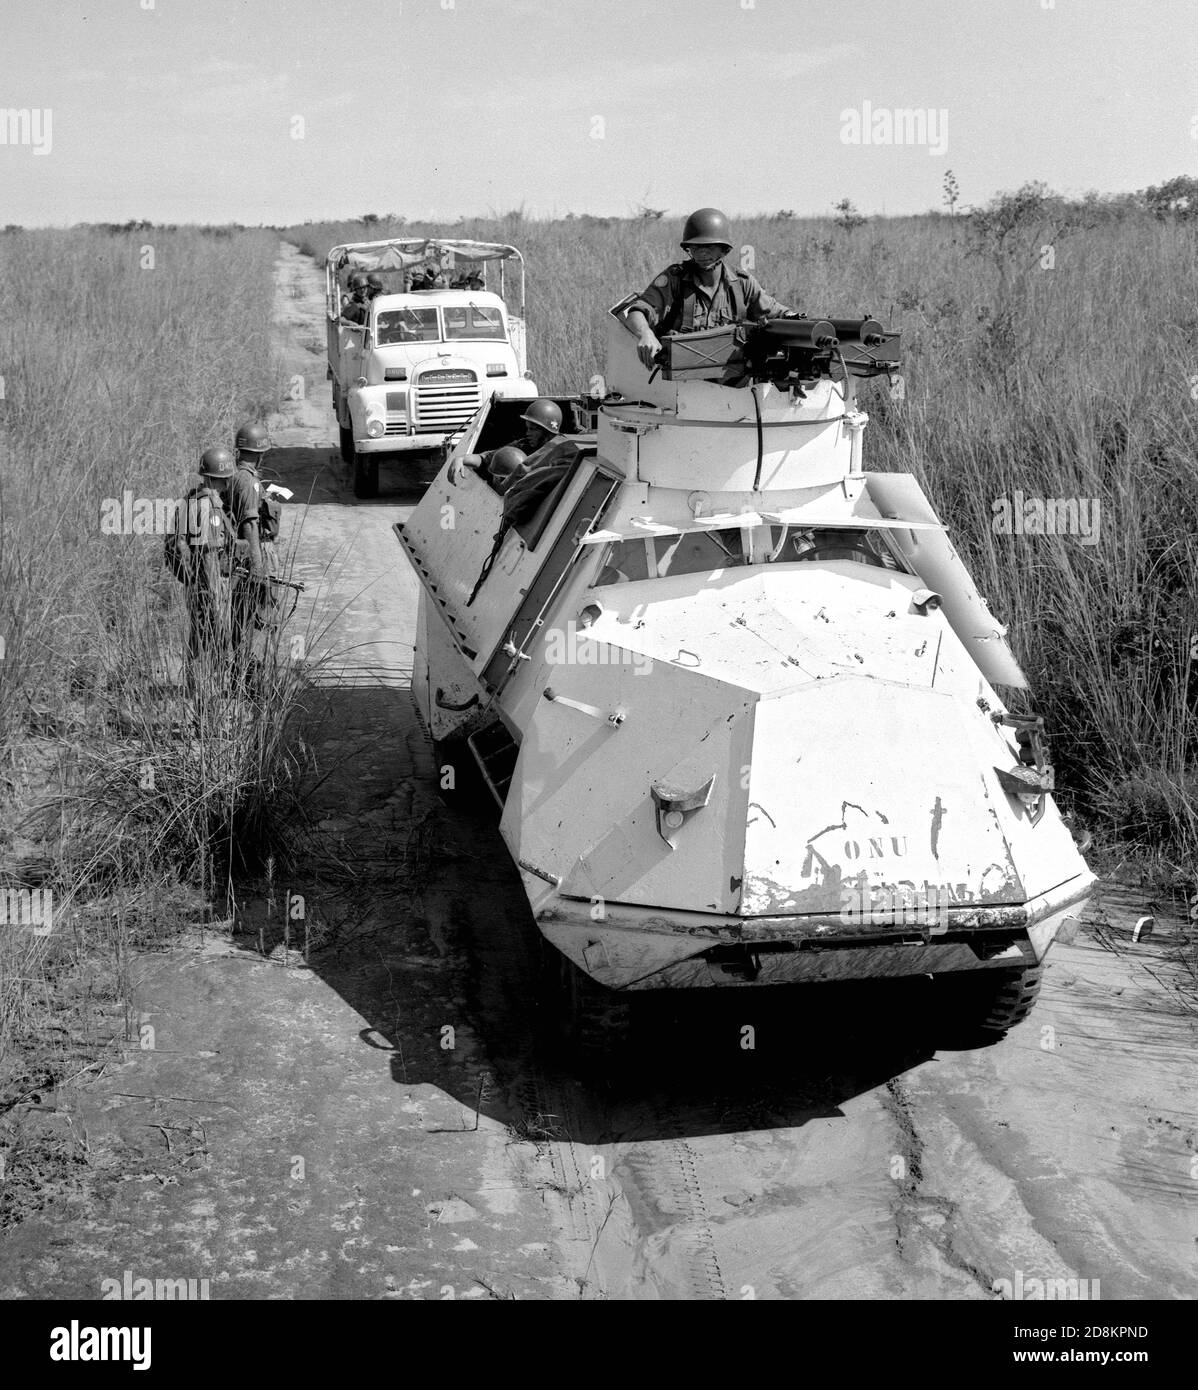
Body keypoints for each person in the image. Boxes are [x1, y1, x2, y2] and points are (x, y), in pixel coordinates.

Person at [622, 207, 796, 369]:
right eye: (696, 247)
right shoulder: (675, 279)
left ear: (724, 250)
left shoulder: (741, 282)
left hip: (730, 371)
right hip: (681, 373)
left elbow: (776, 314)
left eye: (709, 247)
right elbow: (636, 313)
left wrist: (798, 321)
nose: (702, 253)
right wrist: (646, 334)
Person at [172, 447, 237, 672]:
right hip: (206, 585)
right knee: (212, 636)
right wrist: (215, 597)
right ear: (225, 478)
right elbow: (208, 555)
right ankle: (205, 692)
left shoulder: (191, 499)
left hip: (194, 584)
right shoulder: (209, 508)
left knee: (198, 635)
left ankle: (194, 686)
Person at [228, 421, 276, 659]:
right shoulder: (248, 481)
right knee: (250, 618)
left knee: (243, 617)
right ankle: (246, 673)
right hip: (247, 560)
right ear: (259, 454)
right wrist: (258, 566)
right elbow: (249, 523)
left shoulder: (235, 475)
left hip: (239, 558)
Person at [452, 399, 565, 485]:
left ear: (546, 431)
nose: (527, 433)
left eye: (532, 429)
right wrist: (461, 459)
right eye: (527, 428)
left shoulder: (562, 452)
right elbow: (485, 459)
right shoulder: (523, 445)